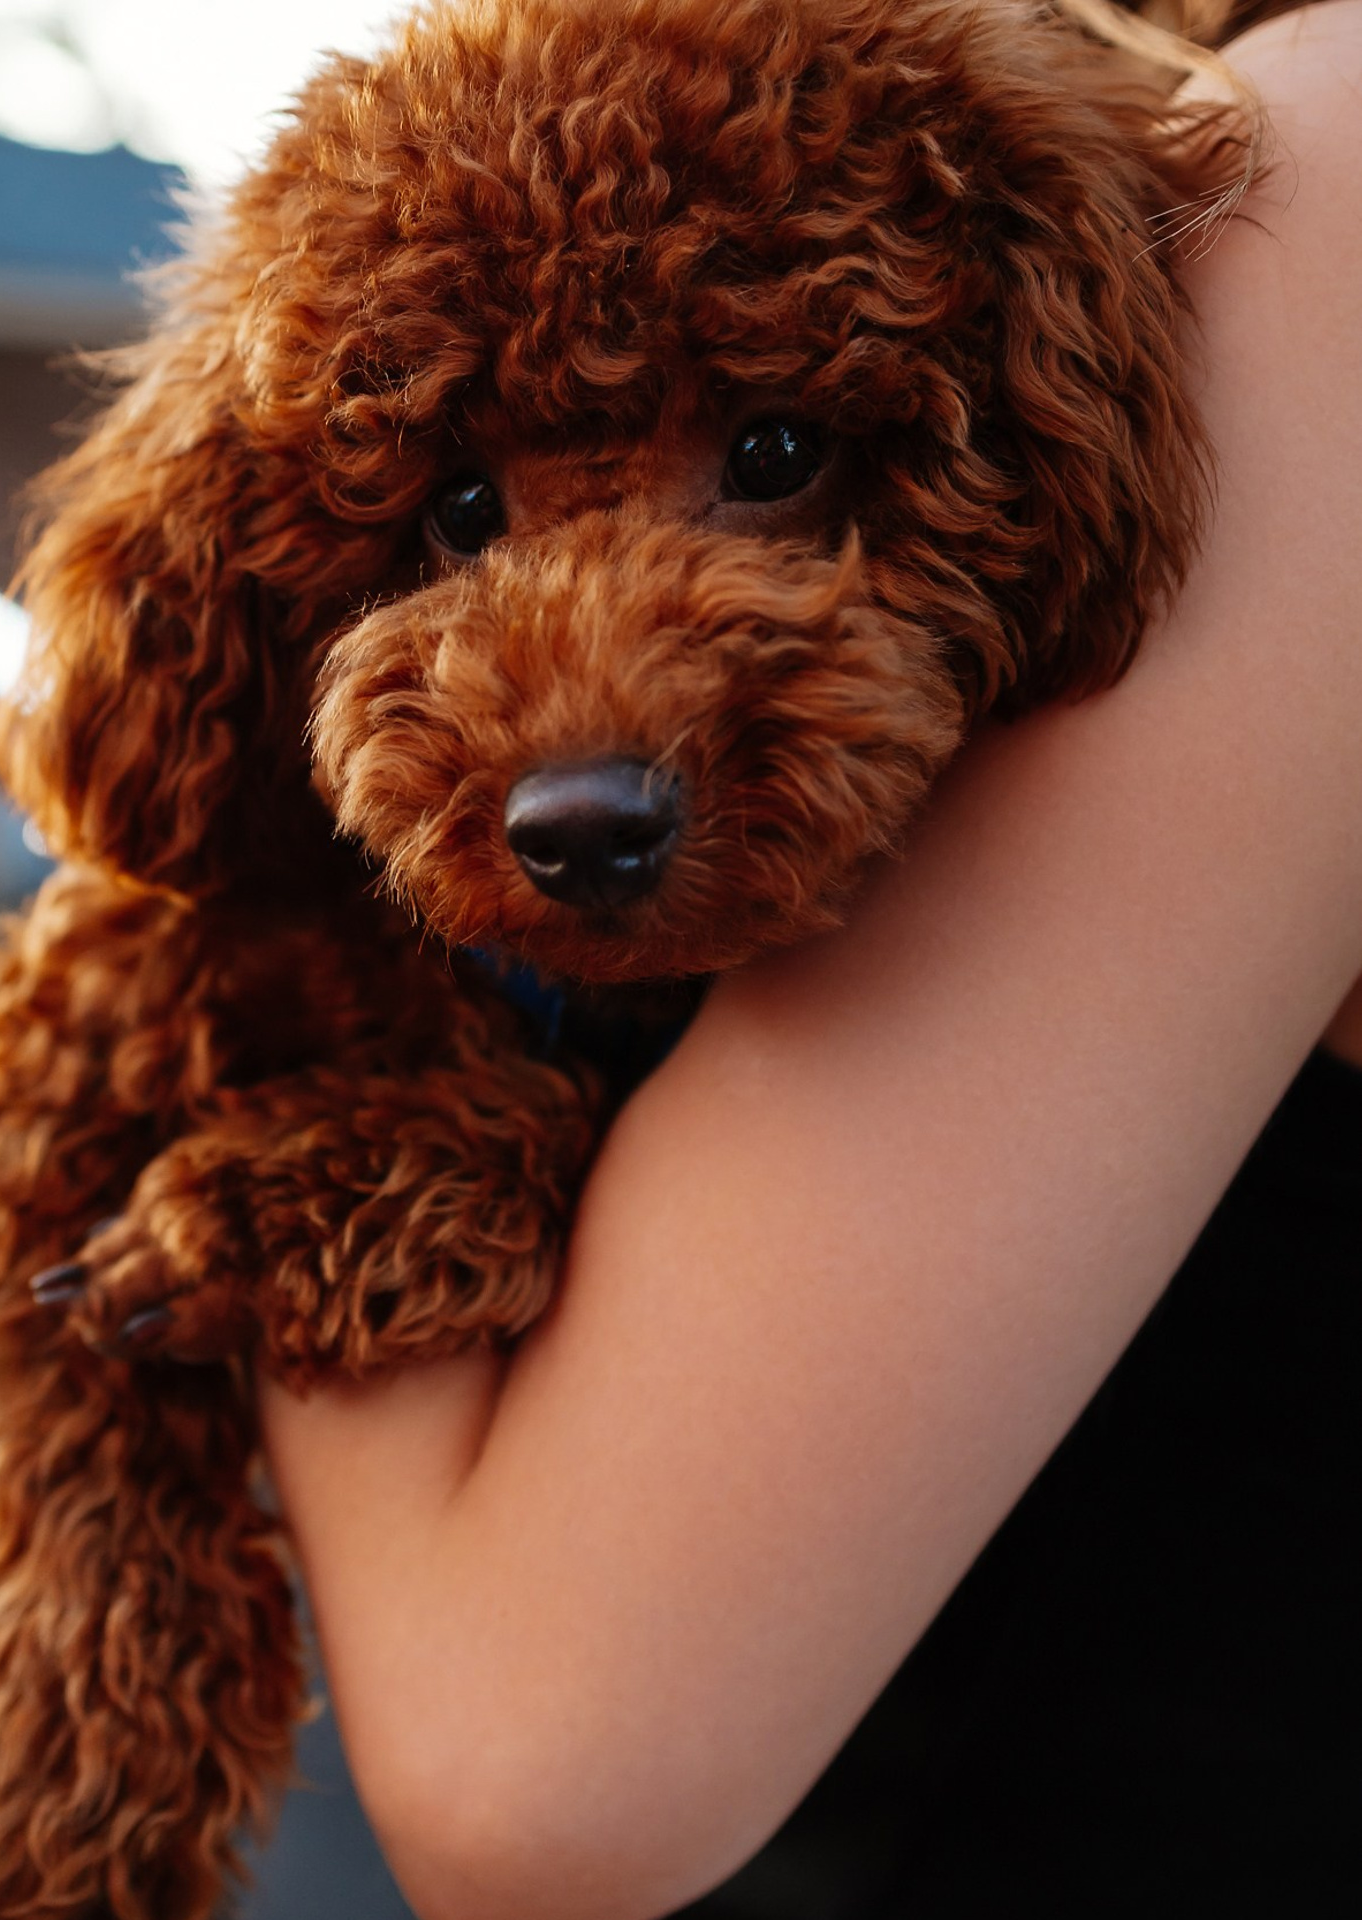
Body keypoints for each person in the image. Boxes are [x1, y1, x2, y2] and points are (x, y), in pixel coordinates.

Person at [250, 4, 1362, 1913]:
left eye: (766, 457)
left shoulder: (1305, 188)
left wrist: (224, 980)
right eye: (463, 517)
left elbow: (534, 1761)